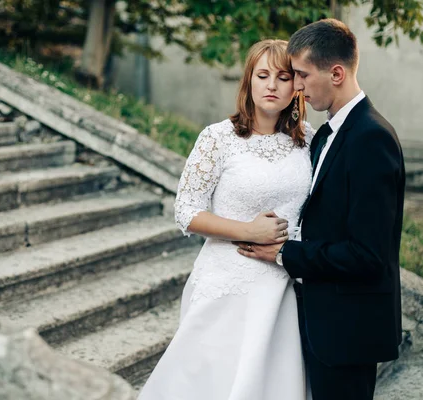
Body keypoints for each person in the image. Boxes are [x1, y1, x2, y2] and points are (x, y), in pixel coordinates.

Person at [237, 19, 405, 400]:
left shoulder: (371, 139)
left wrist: (284, 253)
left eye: (301, 75)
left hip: (348, 330)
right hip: (319, 320)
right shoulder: (327, 134)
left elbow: (368, 254)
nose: (295, 86)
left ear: (337, 73)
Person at [138, 39, 314, 400]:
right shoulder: (218, 138)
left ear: (296, 86)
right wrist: (248, 231)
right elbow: (186, 211)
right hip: (226, 283)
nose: (271, 85)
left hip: (285, 285)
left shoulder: (311, 141)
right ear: (248, 81)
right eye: (262, 75)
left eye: (283, 77)